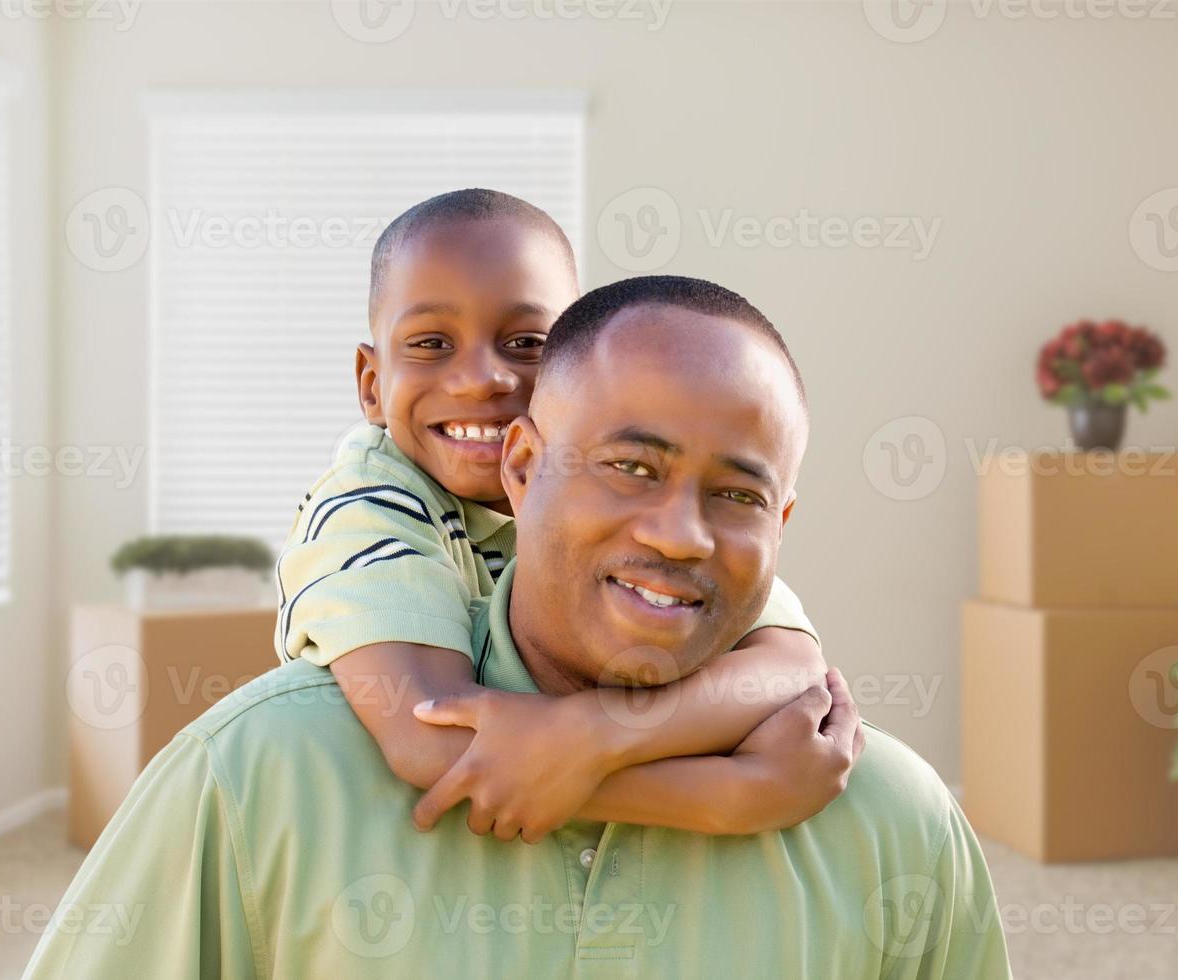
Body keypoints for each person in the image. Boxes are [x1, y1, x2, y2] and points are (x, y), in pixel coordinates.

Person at [24, 276, 1011, 978]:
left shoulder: (892, 821)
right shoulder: (257, 773)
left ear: (781, 523)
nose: (681, 533)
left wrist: (611, 749)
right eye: (630, 466)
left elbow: (788, 659)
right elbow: (431, 735)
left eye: (735, 493)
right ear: (523, 465)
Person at [278, 189, 834, 839]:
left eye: (525, 343)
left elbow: (790, 665)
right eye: (431, 343)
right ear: (371, 385)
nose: (481, 379)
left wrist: (594, 735)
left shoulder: (616, 495)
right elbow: (432, 741)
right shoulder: (367, 508)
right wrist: (730, 797)